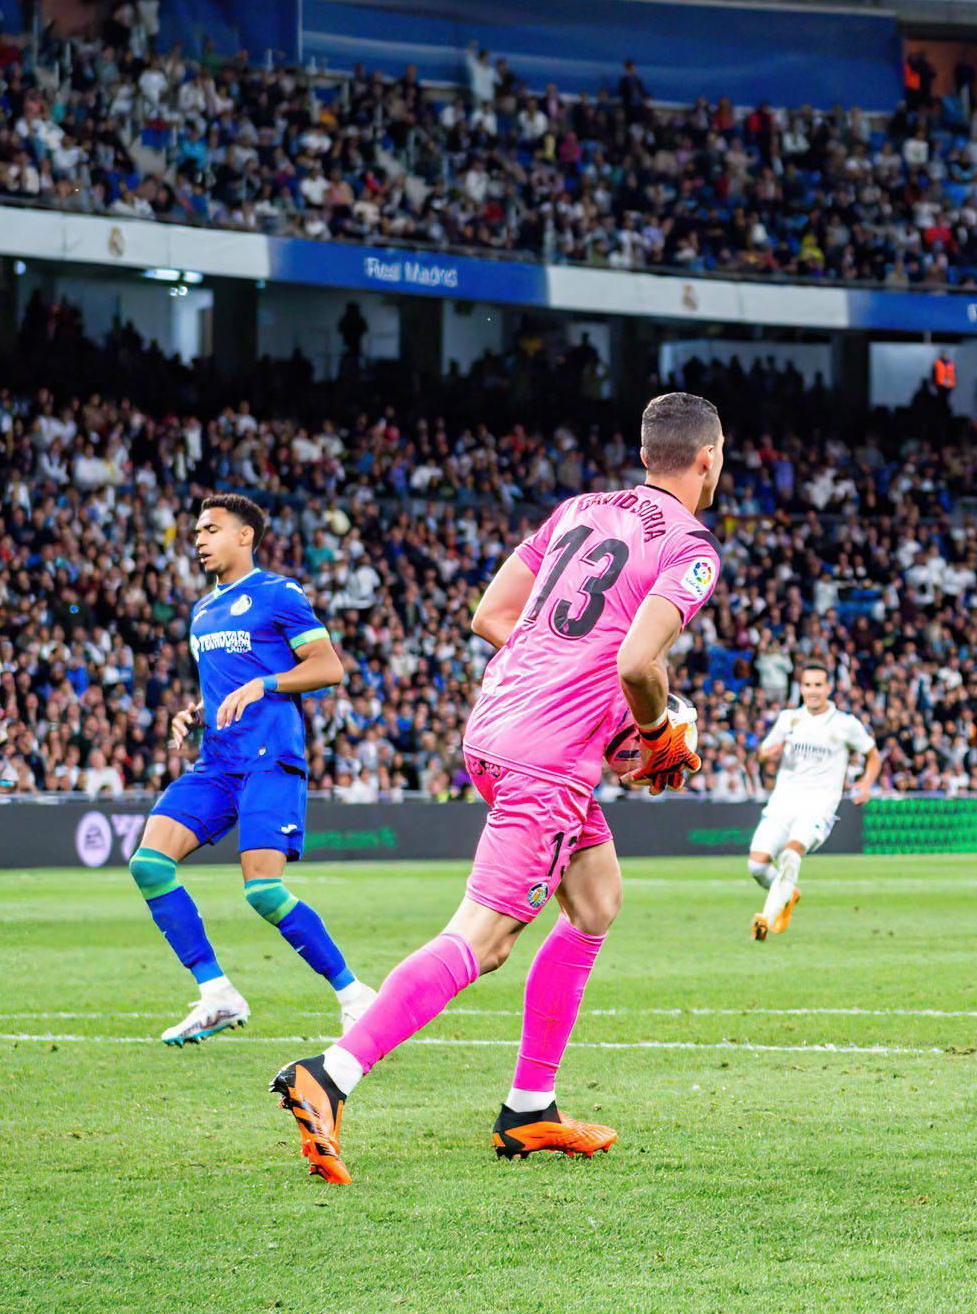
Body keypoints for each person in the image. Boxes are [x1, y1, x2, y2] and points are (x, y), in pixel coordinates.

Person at [269, 394, 723, 1185]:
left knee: (596, 900)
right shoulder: (690, 545)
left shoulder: (578, 509)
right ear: (708, 459)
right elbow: (638, 665)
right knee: (486, 937)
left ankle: (529, 1108)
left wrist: (570, 685)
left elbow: (492, 613)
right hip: (548, 755)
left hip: (499, 723)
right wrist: (652, 735)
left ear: (646, 452)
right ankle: (330, 1074)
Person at [137, 493, 372, 1046]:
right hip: (216, 761)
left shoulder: (277, 593)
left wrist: (264, 683)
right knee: (149, 864)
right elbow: (224, 687)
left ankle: (355, 997)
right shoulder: (201, 612)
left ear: (245, 536)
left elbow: (328, 666)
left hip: (269, 756)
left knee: (263, 890)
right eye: (197, 530)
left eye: (211, 529)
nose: (199, 539)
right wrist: (193, 714)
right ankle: (217, 993)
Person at [747, 662, 883, 939]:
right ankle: (788, 893)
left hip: (819, 805)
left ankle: (767, 918)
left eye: (818, 685)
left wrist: (866, 784)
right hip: (783, 802)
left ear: (829, 688)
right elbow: (762, 752)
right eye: (808, 685)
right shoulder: (788, 719)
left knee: (791, 852)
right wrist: (767, 754)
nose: (812, 691)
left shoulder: (845, 724)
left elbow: (874, 755)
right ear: (801, 687)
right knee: (757, 866)